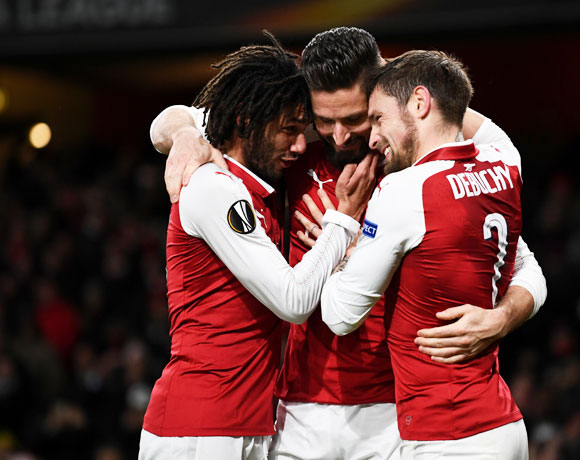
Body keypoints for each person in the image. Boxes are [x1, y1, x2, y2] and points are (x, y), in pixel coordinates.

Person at [150, 27, 546, 460]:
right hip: (295, 411)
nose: (338, 136)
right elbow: (172, 121)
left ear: (382, 99)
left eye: (355, 119)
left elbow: (516, 254)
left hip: (391, 413)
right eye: (324, 121)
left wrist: (503, 317)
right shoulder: (290, 143)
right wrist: (186, 133)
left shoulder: (419, 162)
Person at [139, 36, 378, 460]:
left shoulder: (256, 187)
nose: (302, 145)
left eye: (302, 130)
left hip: (247, 421)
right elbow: (292, 300)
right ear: (246, 121)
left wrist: (180, 130)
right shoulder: (215, 188)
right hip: (200, 428)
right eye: (289, 130)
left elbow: (170, 121)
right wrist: (342, 220)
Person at [320, 49, 529, 459]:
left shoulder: (404, 191)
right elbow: (530, 271)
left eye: (378, 118)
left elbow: (339, 314)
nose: (373, 137)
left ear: (419, 103)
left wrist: (343, 235)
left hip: (449, 435)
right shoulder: (505, 158)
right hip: (502, 425)